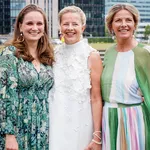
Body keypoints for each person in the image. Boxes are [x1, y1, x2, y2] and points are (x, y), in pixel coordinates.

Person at [0, 4, 54, 150]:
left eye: (39, 23)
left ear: (44, 28)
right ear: (20, 26)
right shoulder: (10, 55)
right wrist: (9, 135)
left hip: (43, 127)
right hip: (18, 127)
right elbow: (4, 97)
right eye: (29, 23)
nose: (34, 28)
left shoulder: (47, 57)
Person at [49, 5, 103, 150]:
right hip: (55, 123)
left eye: (75, 24)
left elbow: (97, 98)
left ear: (83, 27)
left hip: (82, 123)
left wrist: (97, 135)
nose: (70, 28)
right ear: (60, 26)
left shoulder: (92, 56)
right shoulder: (53, 54)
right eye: (66, 24)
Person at [101, 3, 150, 150]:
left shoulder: (145, 53)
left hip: (135, 119)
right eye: (118, 20)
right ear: (111, 26)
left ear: (135, 24)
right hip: (108, 118)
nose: (124, 24)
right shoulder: (108, 53)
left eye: (128, 20)